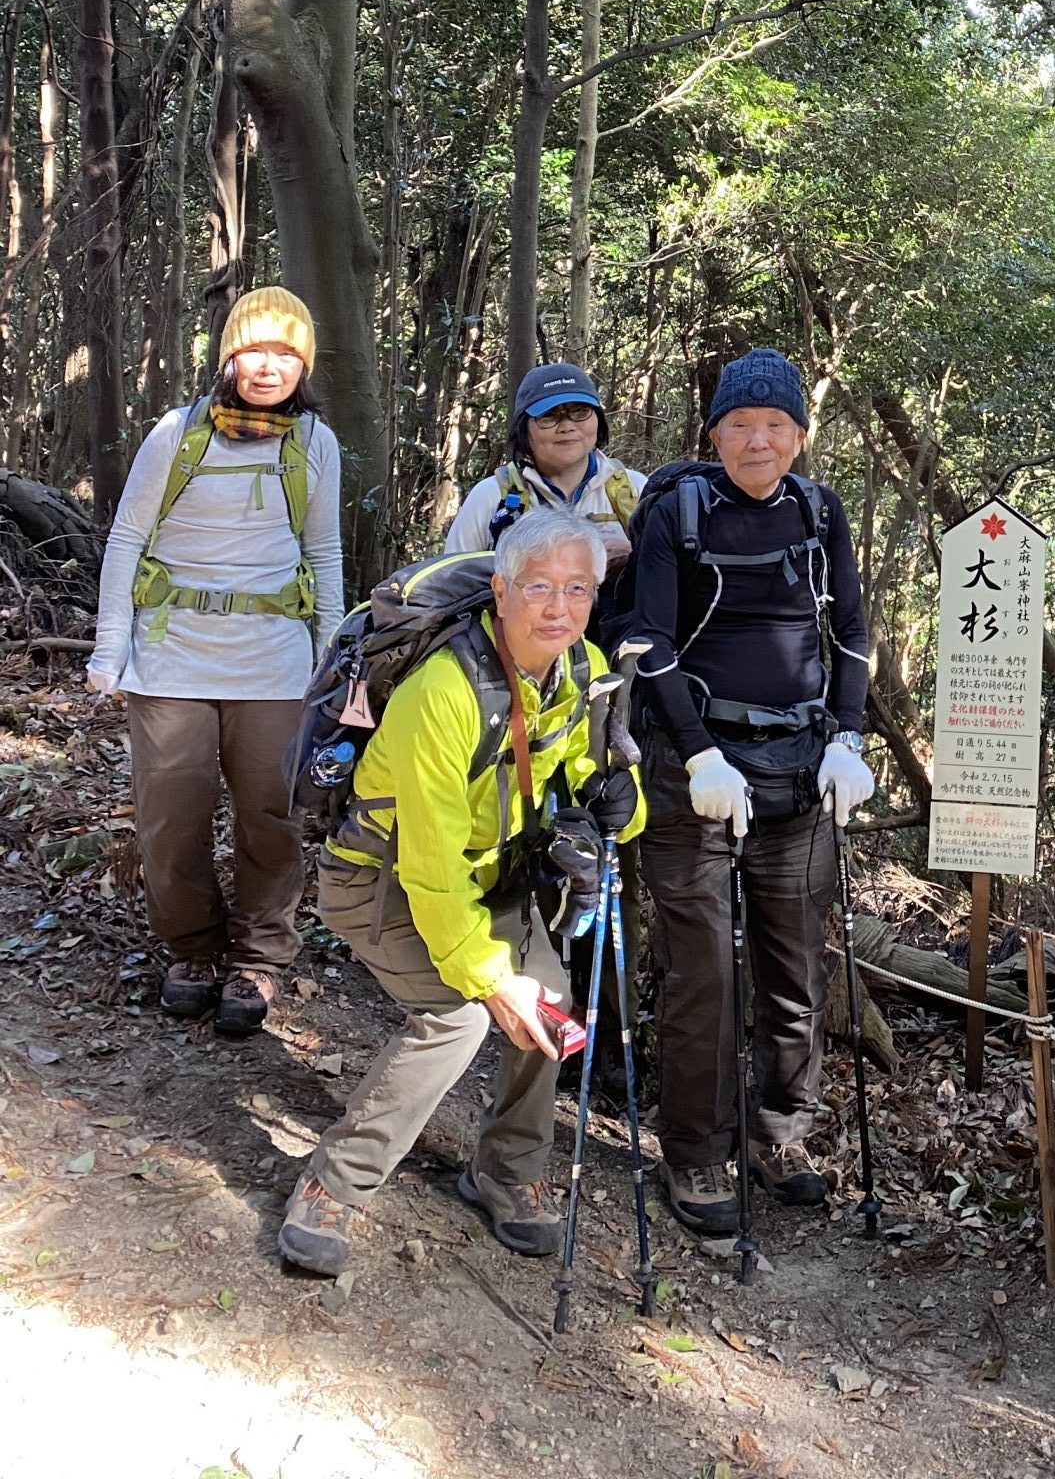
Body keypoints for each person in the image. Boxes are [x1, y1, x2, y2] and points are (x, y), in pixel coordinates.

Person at [277, 506, 645, 1277]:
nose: (559, 606)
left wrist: (620, 801)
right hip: (378, 877)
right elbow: (431, 864)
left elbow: (592, 775)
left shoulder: (579, 668)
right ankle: (334, 1185)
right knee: (458, 1015)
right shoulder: (443, 690)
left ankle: (507, 1172)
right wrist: (489, 979)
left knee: (550, 1003)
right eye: (539, 586)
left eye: (577, 589)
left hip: (487, 876)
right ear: (501, 592)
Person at [607, 347, 873, 1235]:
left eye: (775, 425)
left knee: (796, 969)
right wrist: (698, 753)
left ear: (800, 434)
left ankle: (780, 1135)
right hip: (694, 778)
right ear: (714, 433)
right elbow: (647, 639)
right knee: (703, 975)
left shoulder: (819, 512)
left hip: (801, 773)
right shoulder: (678, 511)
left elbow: (853, 631)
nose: (758, 441)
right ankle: (695, 1153)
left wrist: (847, 736)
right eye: (740, 425)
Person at [88, 287, 344, 1036]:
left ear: (304, 366)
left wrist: (331, 661)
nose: (269, 367)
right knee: (172, 816)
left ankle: (260, 955)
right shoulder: (177, 434)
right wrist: (110, 649)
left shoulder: (314, 443)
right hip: (171, 657)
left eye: (286, 354)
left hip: (275, 663)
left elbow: (324, 552)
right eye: (254, 350)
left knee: (271, 816)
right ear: (228, 357)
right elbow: (127, 540)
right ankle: (191, 949)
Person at [444, 362, 645, 579]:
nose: (567, 426)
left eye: (580, 412)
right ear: (524, 429)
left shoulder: (635, 489)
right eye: (549, 416)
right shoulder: (490, 497)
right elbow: (450, 584)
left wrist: (634, 555)